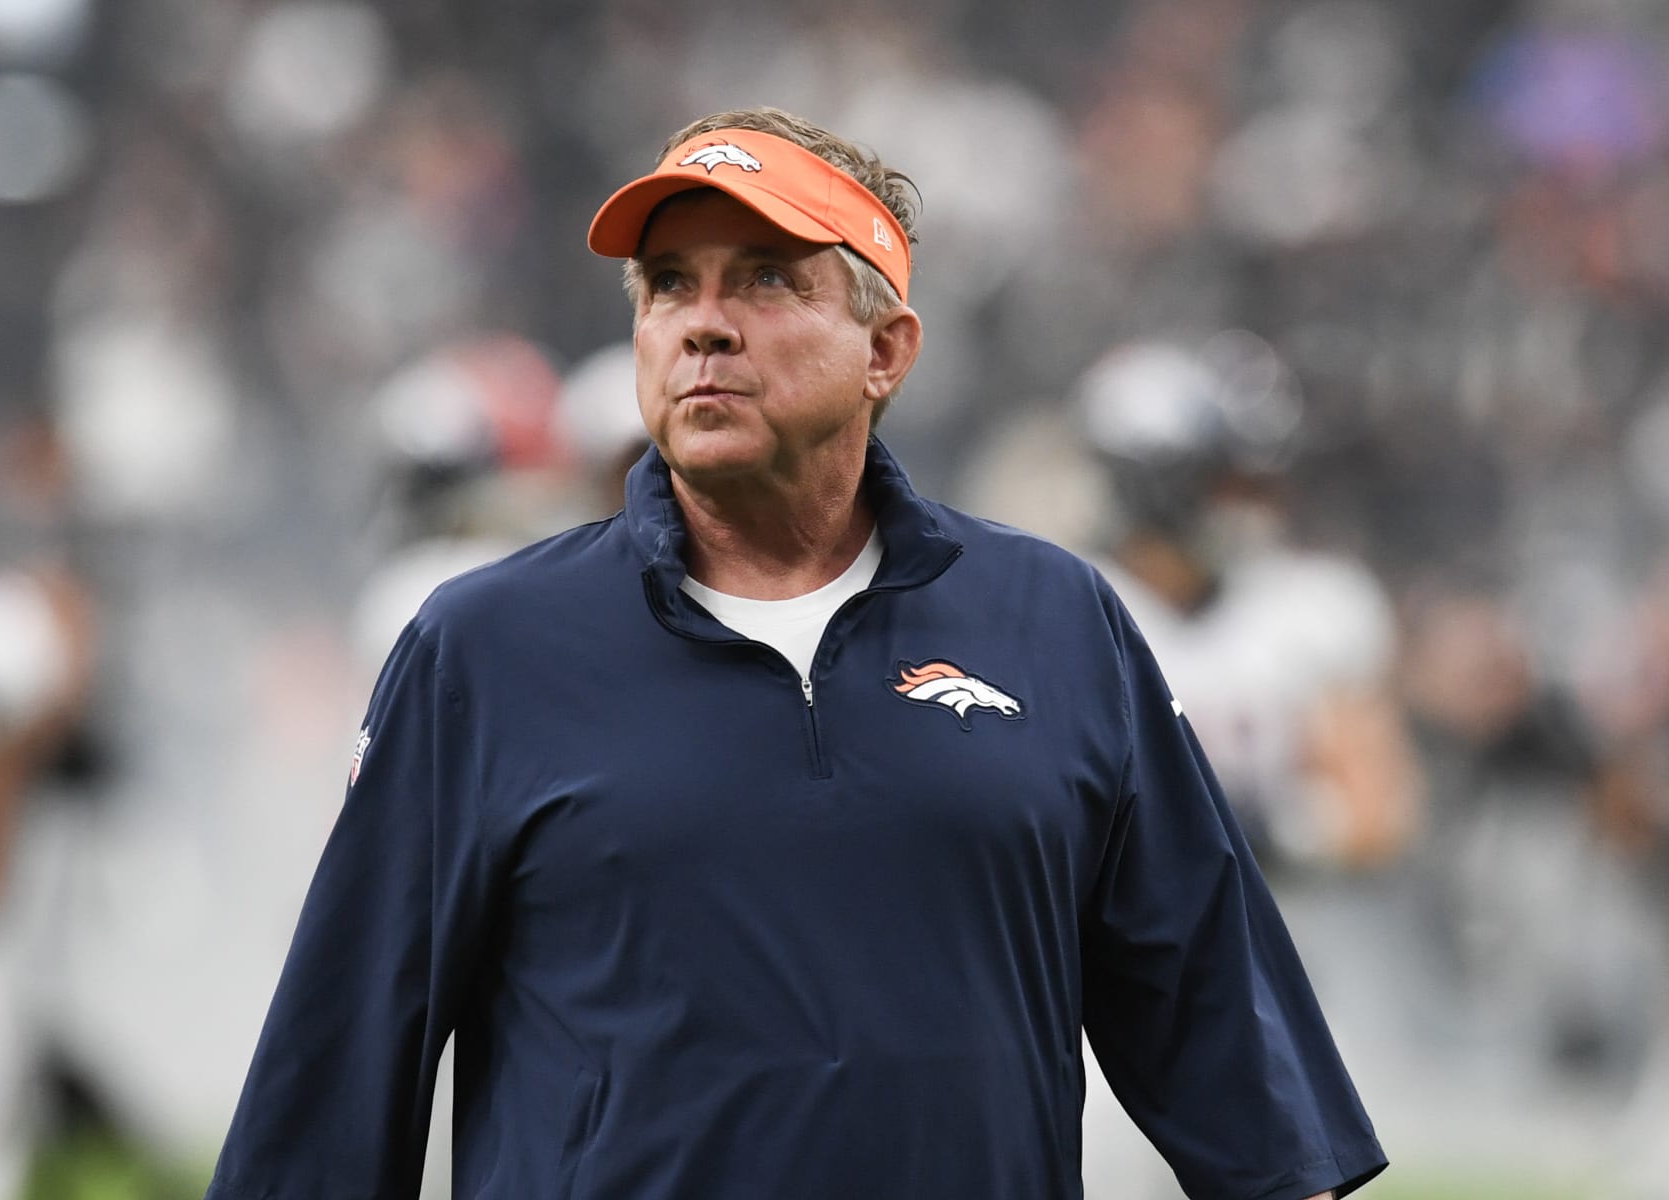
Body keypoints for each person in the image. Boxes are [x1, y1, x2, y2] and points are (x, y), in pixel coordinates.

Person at [205, 107, 1386, 1200]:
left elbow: (1238, 1067)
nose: (704, 321)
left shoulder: (1058, 623)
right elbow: (335, 1083)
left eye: (768, 279)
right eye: (670, 285)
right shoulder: (484, 648)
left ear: (887, 350)